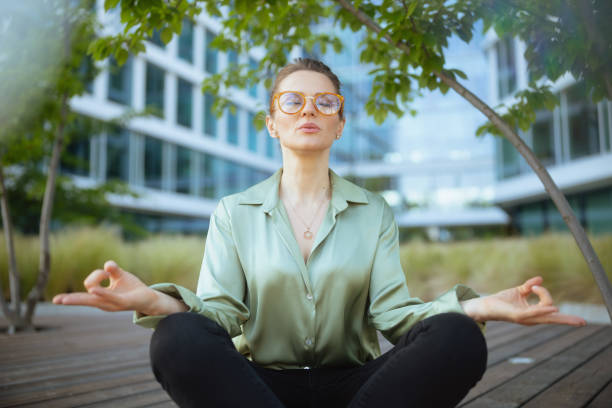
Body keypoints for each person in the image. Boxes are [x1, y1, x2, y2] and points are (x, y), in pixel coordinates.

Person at [53, 58, 586, 408]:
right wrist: (152, 299)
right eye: (293, 101)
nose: (309, 109)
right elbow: (216, 317)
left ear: (340, 123)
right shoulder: (233, 211)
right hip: (258, 387)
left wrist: (482, 307)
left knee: (458, 337)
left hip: (358, 389)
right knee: (177, 337)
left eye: (325, 102)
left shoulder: (373, 210)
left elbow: (397, 320)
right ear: (271, 121)